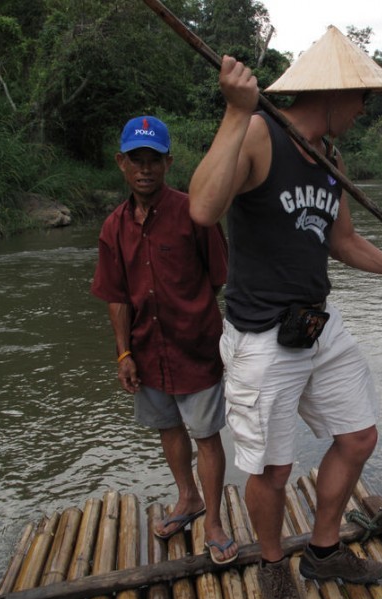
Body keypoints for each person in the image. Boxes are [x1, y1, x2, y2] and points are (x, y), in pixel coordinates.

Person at [188, 26, 382, 599]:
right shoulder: (259, 133)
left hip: (316, 323)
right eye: (362, 97)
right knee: (272, 472)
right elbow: (204, 209)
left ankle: (324, 553)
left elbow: (345, 243)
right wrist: (235, 112)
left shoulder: (328, 156)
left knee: (358, 436)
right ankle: (273, 565)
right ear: (333, 93)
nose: (364, 109)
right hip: (261, 336)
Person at [91, 116, 238, 565]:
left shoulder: (196, 212)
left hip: (196, 348)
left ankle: (213, 521)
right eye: (137, 158)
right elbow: (116, 296)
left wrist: (191, 317)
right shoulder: (113, 228)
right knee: (167, 428)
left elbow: (219, 277)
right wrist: (123, 353)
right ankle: (187, 499)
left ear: (168, 162)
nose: (145, 168)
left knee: (206, 434)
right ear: (121, 163)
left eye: (154, 159)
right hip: (147, 351)